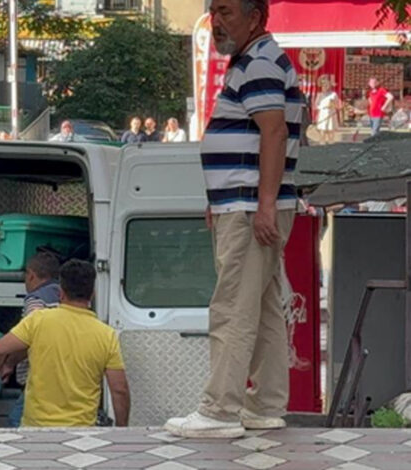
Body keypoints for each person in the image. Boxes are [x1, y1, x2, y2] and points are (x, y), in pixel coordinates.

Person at [165, 0, 302, 438]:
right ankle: (264, 404)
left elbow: (273, 133)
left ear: (255, 17)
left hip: (249, 209)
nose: (216, 22)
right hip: (245, 204)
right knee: (262, 308)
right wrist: (223, 198)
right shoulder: (258, 59)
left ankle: (219, 410)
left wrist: (260, 203)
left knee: (232, 308)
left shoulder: (260, 62)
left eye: (226, 12)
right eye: (214, 12)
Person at [0, 260, 130, 427]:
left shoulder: (38, 321)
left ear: (61, 293)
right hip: (81, 432)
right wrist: (121, 428)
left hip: (36, 428)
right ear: (92, 294)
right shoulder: (106, 335)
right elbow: (119, 390)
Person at [3, 252, 62, 427]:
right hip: (63, 374)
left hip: (39, 378)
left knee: (16, 422)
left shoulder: (36, 300)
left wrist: (9, 364)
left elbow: (30, 338)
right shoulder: (65, 295)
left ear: (31, 274)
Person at [315, 80, 340, 144]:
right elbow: (316, 105)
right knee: (322, 127)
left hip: (331, 112)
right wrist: (323, 107)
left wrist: (333, 105)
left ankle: (331, 141)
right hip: (323, 113)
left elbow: (337, 104)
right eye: (324, 86)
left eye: (327, 86)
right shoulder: (320, 95)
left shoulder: (333, 94)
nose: (325, 87)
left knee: (330, 127)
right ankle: (322, 141)